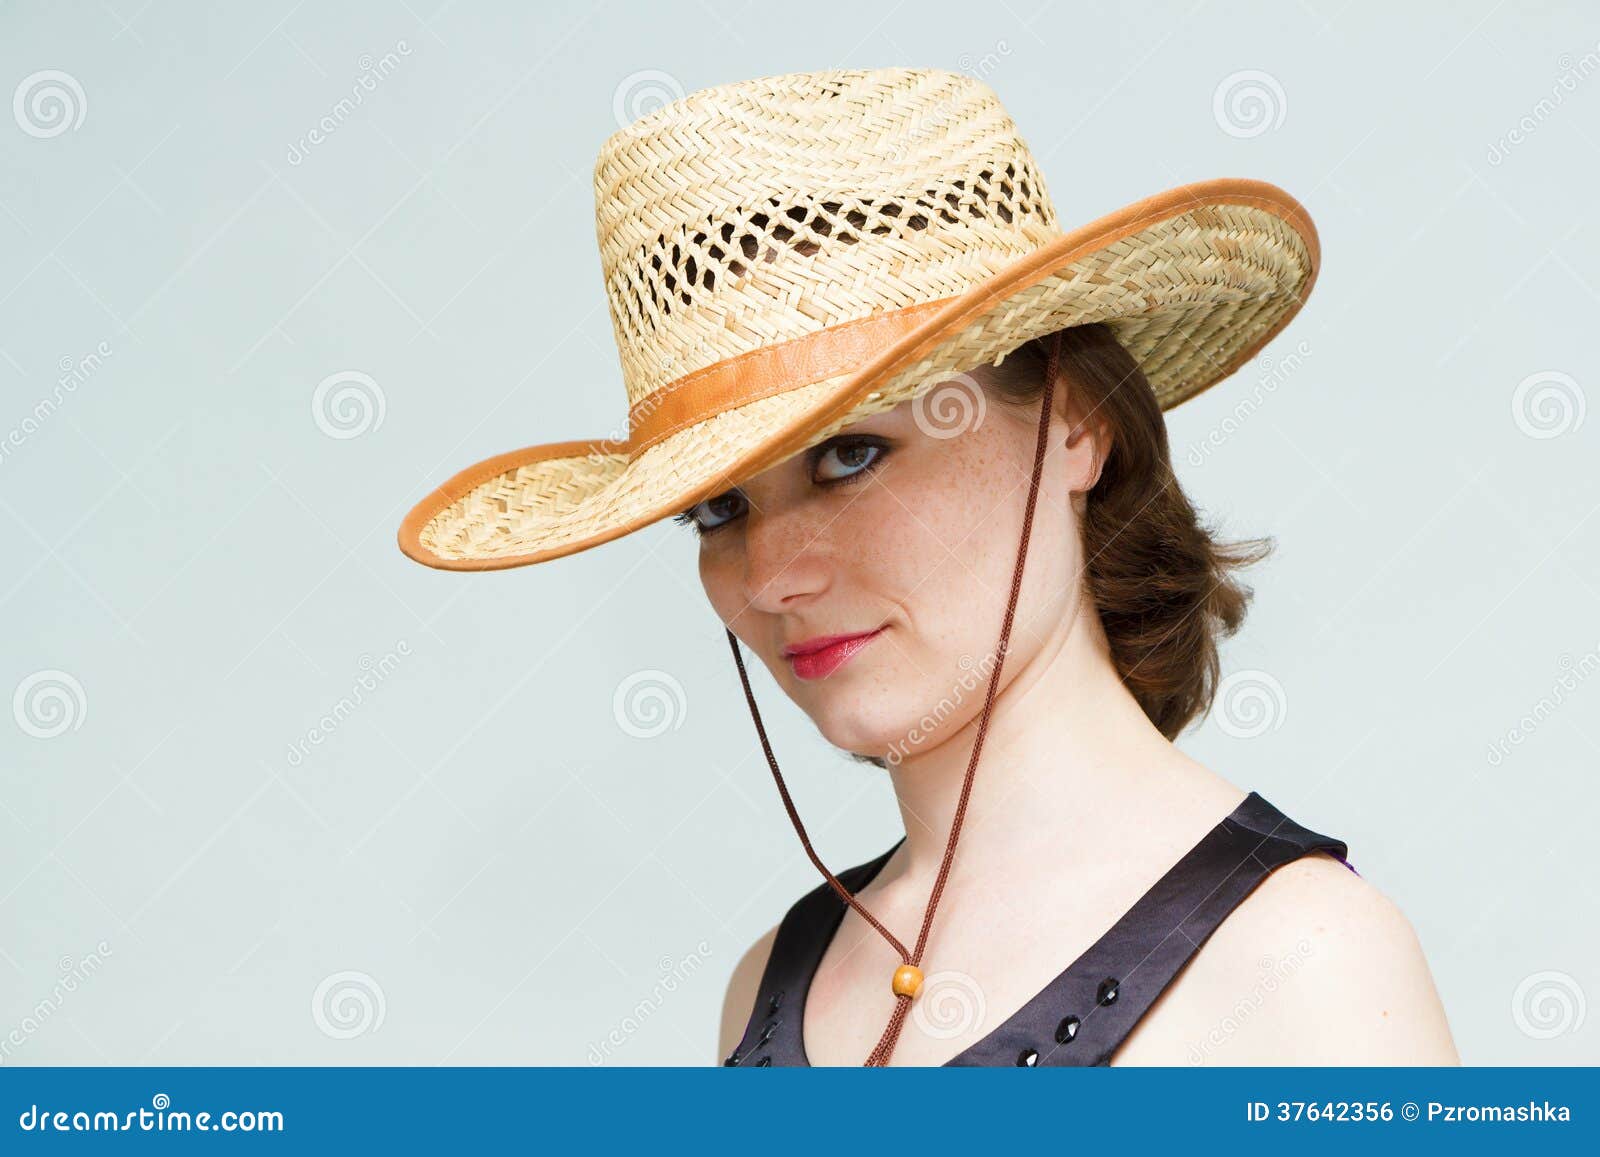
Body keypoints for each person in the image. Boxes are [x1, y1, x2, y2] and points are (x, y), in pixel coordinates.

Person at [395, 66, 1458, 1066]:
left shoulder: (1301, 965)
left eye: (851, 455)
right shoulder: (772, 980)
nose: (768, 575)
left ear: (1072, 423)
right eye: (718, 508)